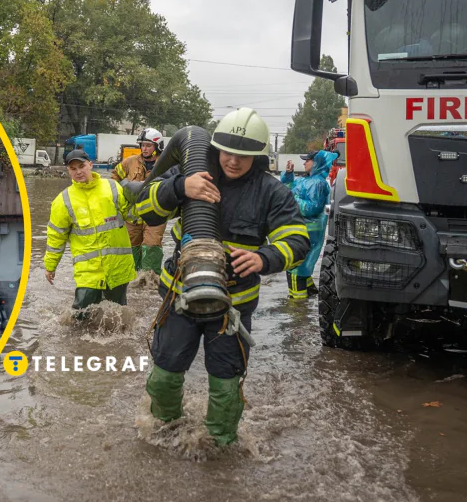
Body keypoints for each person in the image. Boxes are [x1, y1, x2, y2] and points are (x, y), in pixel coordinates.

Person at [135, 109, 310, 446]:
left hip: (232, 309)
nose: (233, 161)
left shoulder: (271, 192)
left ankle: (219, 446)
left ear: (258, 156)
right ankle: (165, 431)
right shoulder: (191, 172)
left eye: (243, 155)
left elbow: (298, 240)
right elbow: (142, 206)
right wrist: (180, 186)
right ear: (214, 147)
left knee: (225, 386)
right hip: (179, 299)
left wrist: (265, 257)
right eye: (227, 152)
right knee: (164, 377)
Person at [44, 150, 137, 311]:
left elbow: (133, 215)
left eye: (82, 166)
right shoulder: (63, 201)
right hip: (88, 273)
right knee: (80, 317)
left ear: (90, 165)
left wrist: (147, 200)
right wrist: (50, 266)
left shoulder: (112, 187)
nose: (78, 172)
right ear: (68, 171)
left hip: (118, 268)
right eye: (73, 169)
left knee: (117, 316)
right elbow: (56, 238)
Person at [281, 149, 337, 299]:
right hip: (303, 229)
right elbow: (288, 187)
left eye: (308, 160)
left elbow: (312, 208)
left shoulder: (317, 183)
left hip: (306, 231)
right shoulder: (309, 180)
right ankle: (309, 300)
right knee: (303, 267)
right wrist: (288, 174)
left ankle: (297, 312)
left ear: (317, 162)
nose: (304, 163)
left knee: (294, 269)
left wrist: (292, 199)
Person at [111, 127, 167, 273]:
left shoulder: (165, 165)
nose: (144, 148)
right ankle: (132, 282)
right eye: (142, 145)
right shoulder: (129, 162)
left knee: (152, 247)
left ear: (158, 146)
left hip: (155, 217)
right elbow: (114, 178)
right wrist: (125, 190)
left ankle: (150, 283)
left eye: (148, 145)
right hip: (132, 218)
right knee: (131, 251)